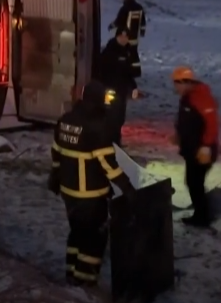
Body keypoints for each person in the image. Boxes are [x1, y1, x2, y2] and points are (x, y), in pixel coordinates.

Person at [49, 81, 136, 287]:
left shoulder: (65, 120)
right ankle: (84, 284)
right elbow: (108, 165)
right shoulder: (98, 126)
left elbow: (56, 153)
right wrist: (127, 188)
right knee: (93, 240)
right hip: (90, 195)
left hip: (68, 192)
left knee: (77, 232)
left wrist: (54, 177)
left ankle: (71, 273)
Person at [170, 66, 219, 227]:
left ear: (186, 82)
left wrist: (206, 147)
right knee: (193, 181)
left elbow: (212, 124)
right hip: (192, 148)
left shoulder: (200, 97)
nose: (175, 87)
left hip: (201, 150)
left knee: (194, 182)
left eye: (177, 83)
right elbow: (184, 119)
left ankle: (202, 217)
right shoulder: (188, 97)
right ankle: (201, 213)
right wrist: (179, 134)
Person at [99, 28, 141, 146]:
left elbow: (129, 73)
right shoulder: (109, 51)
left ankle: (116, 140)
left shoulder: (128, 52)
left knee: (119, 117)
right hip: (109, 89)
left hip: (122, 90)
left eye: (126, 37)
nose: (123, 39)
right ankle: (106, 140)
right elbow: (101, 70)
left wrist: (133, 87)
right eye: (121, 37)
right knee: (109, 115)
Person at [110, 0, 147, 80]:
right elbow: (143, 22)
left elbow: (119, 21)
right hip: (134, 37)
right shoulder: (139, 7)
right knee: (134, 53)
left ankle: (122, 71)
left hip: (124, 37)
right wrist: (141, 32)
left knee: (121, 53)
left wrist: (111, 26)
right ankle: (136, 71)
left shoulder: (125, 8)